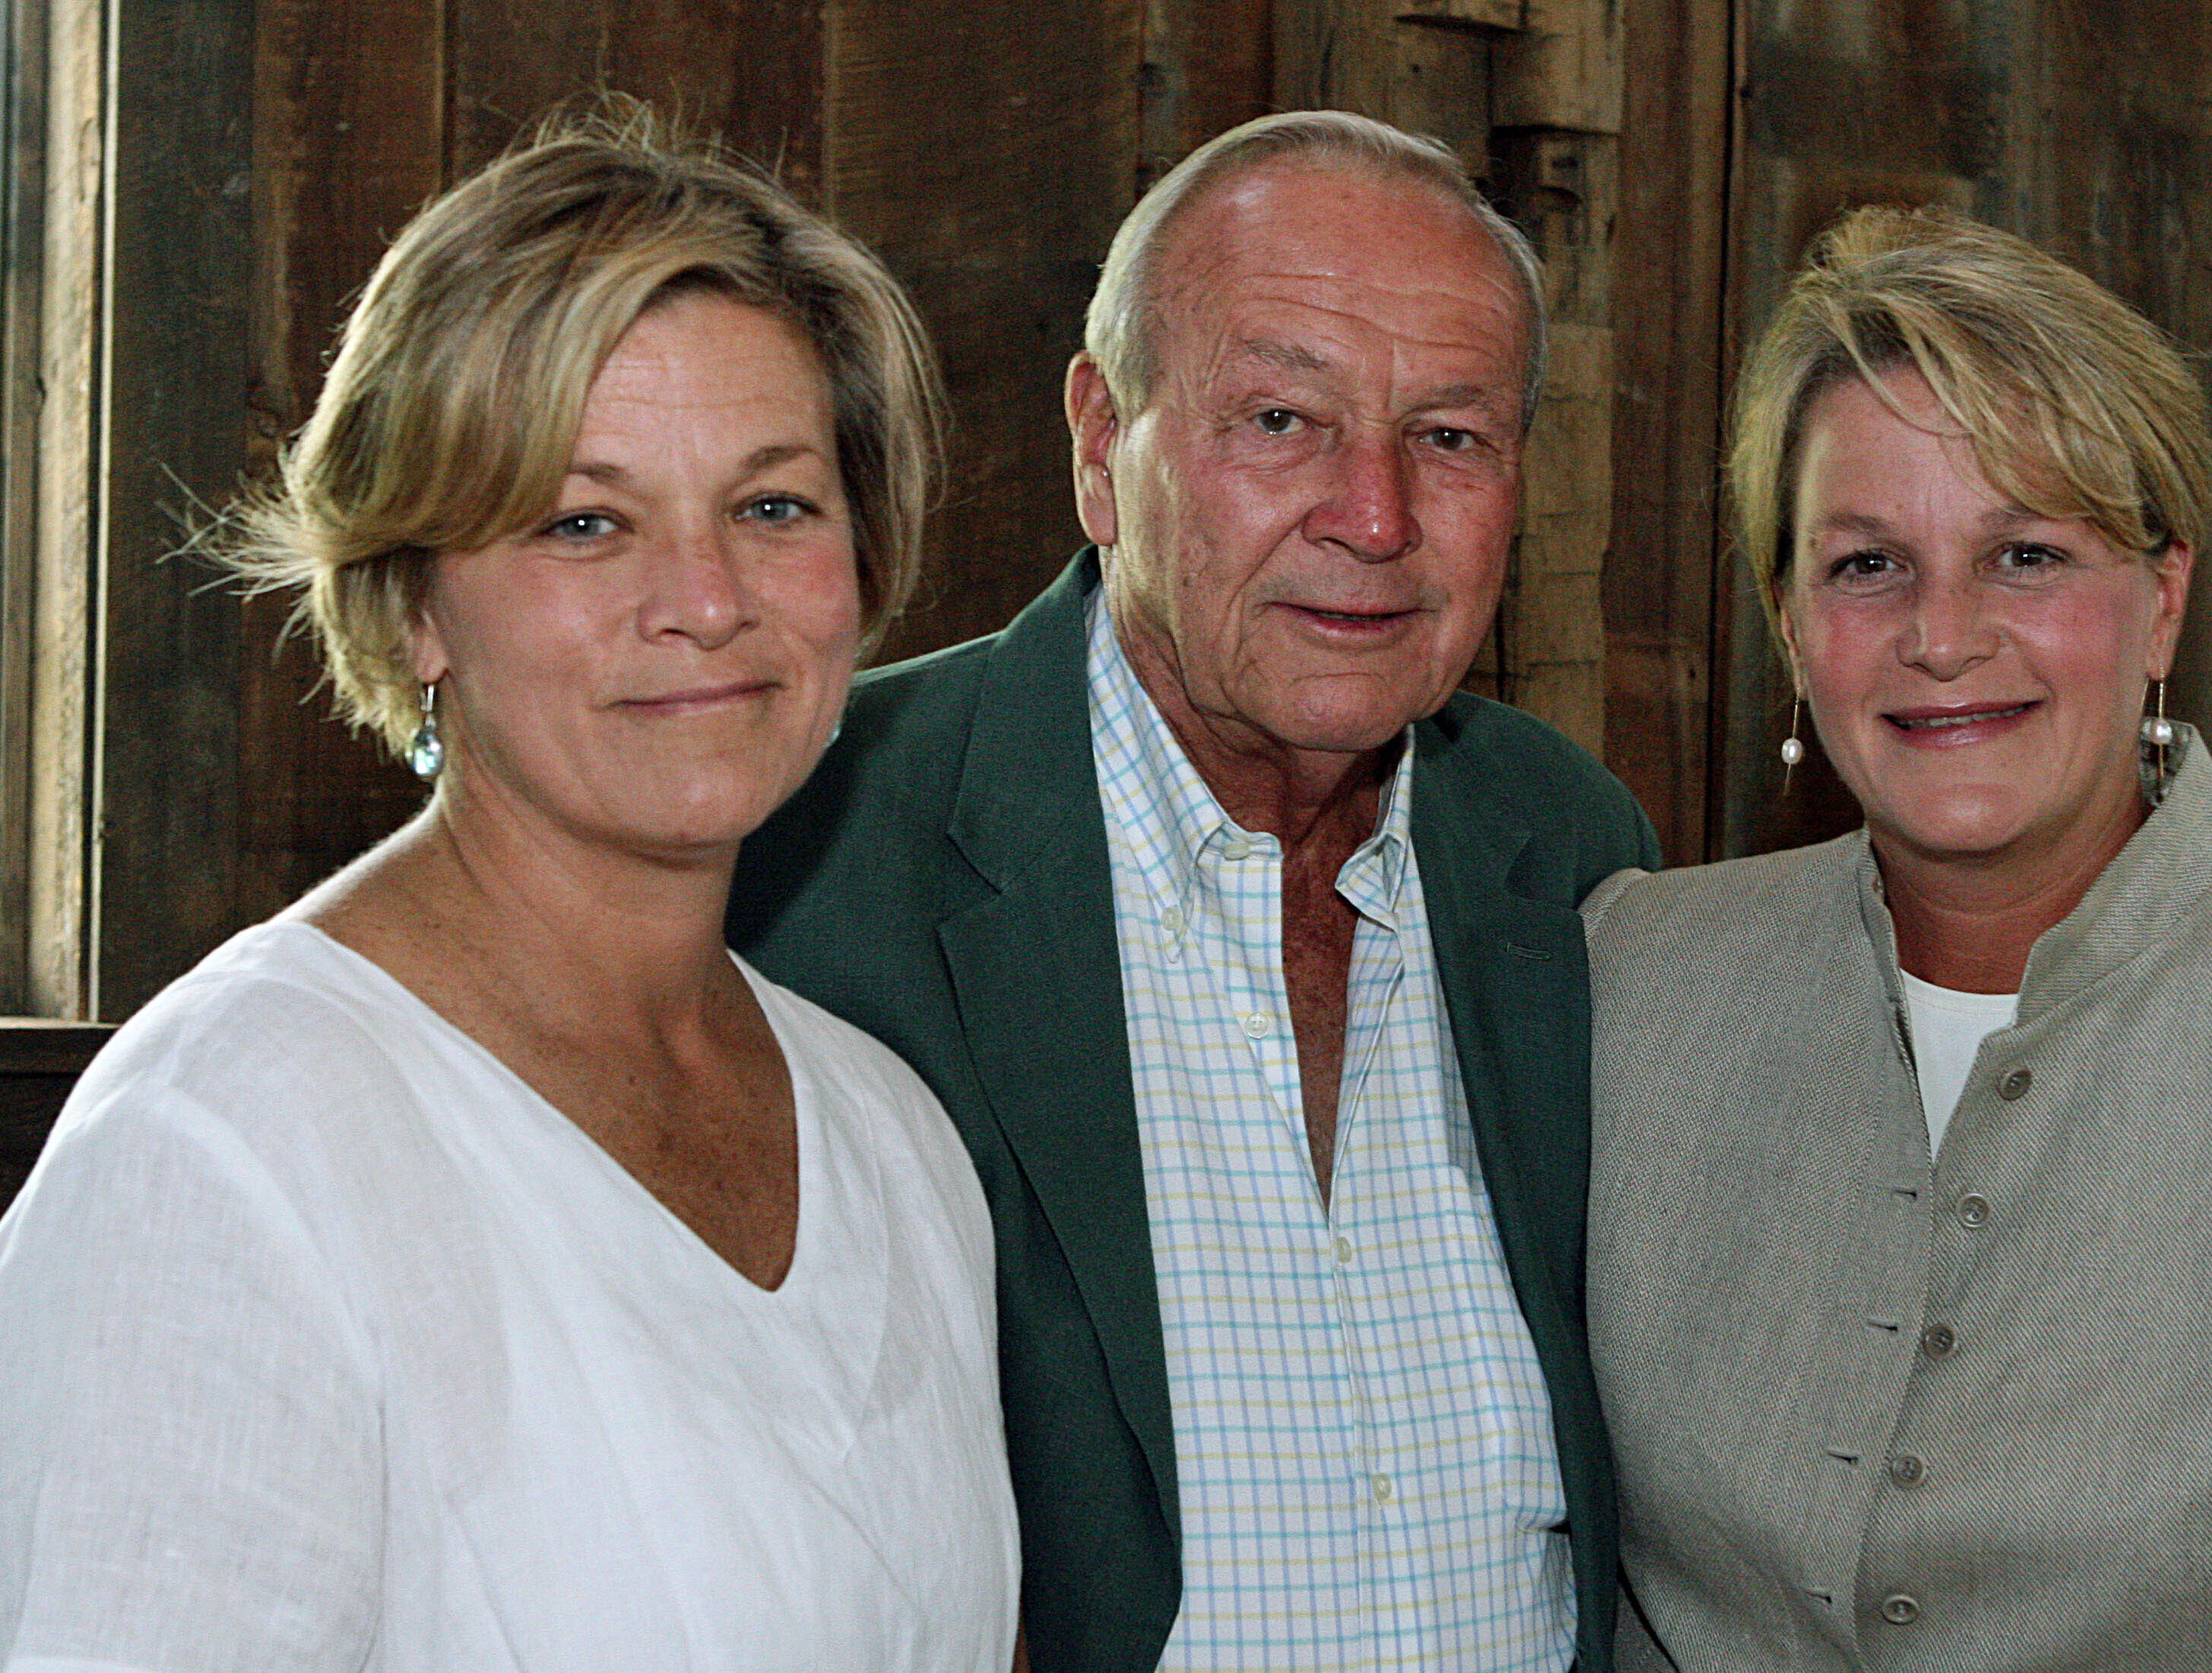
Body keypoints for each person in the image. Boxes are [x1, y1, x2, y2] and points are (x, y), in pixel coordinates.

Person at [0, 111, 1017, 1668]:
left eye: (771, 506)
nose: (703, 602)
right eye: (582, 521)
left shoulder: (889, 1133)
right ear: (410, 600)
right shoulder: (226, 1143)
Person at [1584, 204, 2212, 1672]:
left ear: (2162, 598)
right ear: (1789, 626)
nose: (1944, 632)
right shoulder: (1632, 982)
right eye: (1867, 564)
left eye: (2027, 553)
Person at [733, 109, 1657, 1671]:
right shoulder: (806, 847)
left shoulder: (1564, 851)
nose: (1372, 517)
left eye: (1448, 437)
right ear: (1102, 445)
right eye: (1282, 419)